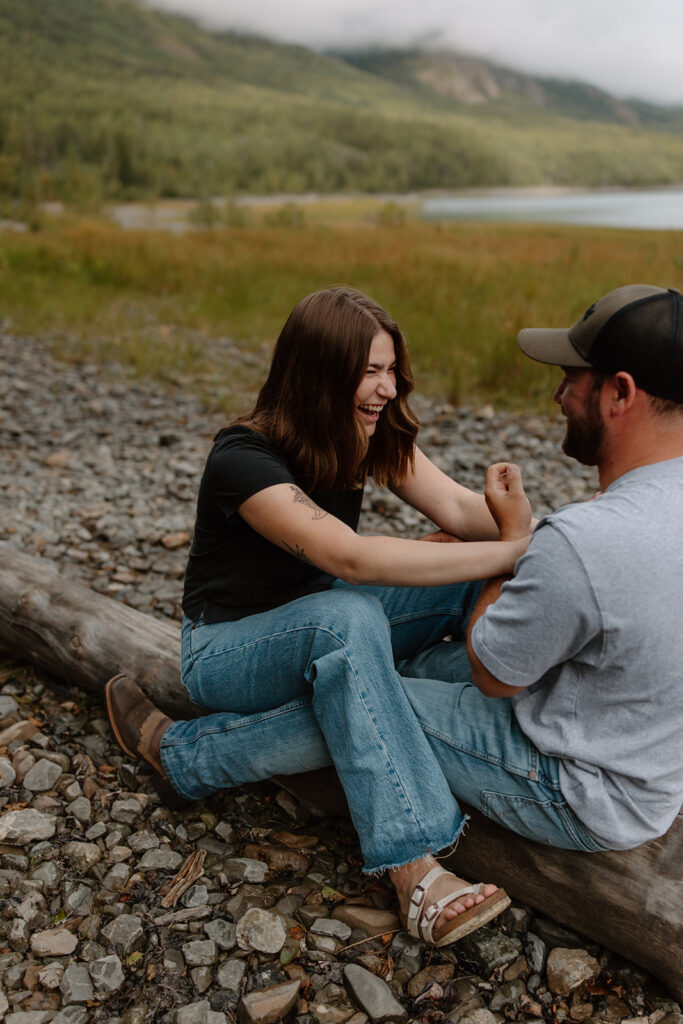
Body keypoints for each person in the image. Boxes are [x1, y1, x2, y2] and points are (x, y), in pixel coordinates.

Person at [106, 286, 532, 947]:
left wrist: (544, 532)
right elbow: (351, 558)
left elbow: (458, 514)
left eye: (391, 369)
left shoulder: (371, 435)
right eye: (369, 370)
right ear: (316, 370)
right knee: (347, 619)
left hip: (326, 621)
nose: (386, 388)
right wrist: (511, 545)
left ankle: (185, 755)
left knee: (459, 568)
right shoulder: (242, 458)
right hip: (227, 653)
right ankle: (413, 867)